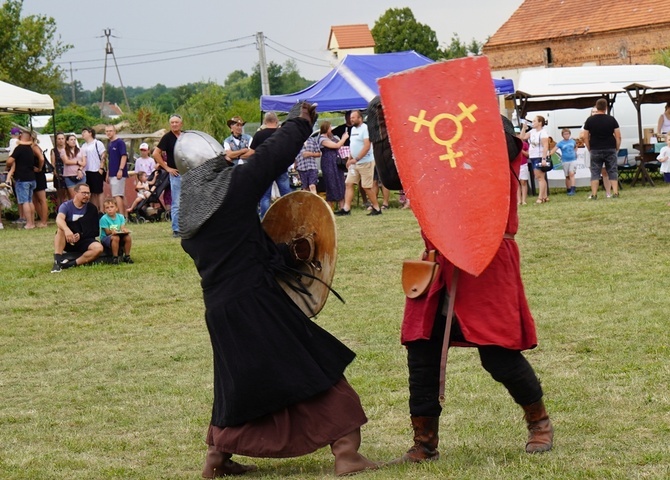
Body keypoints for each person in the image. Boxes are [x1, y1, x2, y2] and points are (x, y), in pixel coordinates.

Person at [177, 102, 380, 478]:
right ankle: (347, 453)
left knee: (237, 383)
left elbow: (239, 249)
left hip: (220, 310)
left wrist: (284, 253)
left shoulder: (188, 216)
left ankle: (216, 460)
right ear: (211, 161)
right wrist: (300, 122)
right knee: (316, 365)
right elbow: (271, 157)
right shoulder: (232, 191)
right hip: (258, 302)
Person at [392, 116, 553, 464]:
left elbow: (503, 145)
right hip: (438, 264)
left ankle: (538, 422)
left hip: (488, 263)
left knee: (498, 354)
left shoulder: (501, 146)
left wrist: (468, 116)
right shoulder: (435, 151)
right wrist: (386, 124)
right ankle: (424, 442)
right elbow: (394, 176)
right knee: (422, 353)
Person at [335, 110, 382, 216]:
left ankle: (376, 208)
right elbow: (353, 145)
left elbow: (366, 146)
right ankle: (346, 209)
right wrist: (349, 159)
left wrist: (356, 159)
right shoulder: (353, 129)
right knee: (348, 183)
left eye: (353, 118)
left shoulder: (365, 129)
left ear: (360, 118)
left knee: (366, 187)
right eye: (351, 118)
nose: (351, 119)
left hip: (365, 162)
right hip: (354, 162)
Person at [51, 183, 103, 272]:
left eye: (88, 193)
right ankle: (57, 262)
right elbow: (59, 219)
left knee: (98, 248)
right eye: (83, 193)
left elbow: (94, 230)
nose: (86, 196)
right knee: (60, 229)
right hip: (67, 239)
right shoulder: (66, 206)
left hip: (84, 239)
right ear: (76, 193)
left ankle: (71, 264)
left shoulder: (92, 208)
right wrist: (67, 230)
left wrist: (80, 235)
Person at [249, 112, 292, 217]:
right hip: (281, 167)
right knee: (287, 194)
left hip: (265, 168)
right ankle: (291, 216)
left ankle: (265, 219)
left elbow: (252, 152)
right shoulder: (282, 133)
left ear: (264, 121)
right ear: (276, 121)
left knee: (265, 196)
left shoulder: (259, 135)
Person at [583, 98, 621, 200]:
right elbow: (618, 136)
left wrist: (589, 147)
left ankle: (594, 194)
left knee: (595, 172)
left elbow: (585, 136)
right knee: (612, 170)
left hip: (595, 148)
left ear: (596, 106)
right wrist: (617, 147)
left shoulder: (590, 120)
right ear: (606, 108)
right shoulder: (611, 119)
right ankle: (615, 192)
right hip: (610, 147)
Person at [153, 114, 182, 237]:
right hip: (176, 173)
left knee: (190, 201)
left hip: (188, 172)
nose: (174, 124)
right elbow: (156, 153)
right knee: (177, 202)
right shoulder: (167, 137)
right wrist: (167, 168)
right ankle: (176, 229)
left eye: (177, 122)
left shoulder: (186, 136)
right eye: (172, 122)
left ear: (181, 123)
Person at [6, 130, 42, 230]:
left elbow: (10, 161)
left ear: (21, 136)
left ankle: (29, 223)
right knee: (30, 201)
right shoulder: (30, 148)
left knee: (25, 201)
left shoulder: (19, 148)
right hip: (31, 177)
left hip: (22, 178)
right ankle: (32, 222)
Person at [318, 121, 348, 210]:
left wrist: (342, 139)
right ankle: (329, 207)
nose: (331, 129)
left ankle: (342, 206)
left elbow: (340, 144)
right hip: (328, 163)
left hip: (336, 162)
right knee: (330, 183)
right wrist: (344, 138)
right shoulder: (322, 139)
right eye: (330, 127)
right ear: (326, 128)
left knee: (340, 181)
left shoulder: (331, 137)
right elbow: (336, 145)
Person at [519, 116, 549, 203]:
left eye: (535, 121)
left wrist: (544, 158)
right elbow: (522, 137)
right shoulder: (532, 131)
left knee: (539, 177)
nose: (533, 122)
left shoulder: (543, 133)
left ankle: (540, 197)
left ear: (540, 123)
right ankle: (545, 196)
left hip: (539, 156)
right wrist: (524, 128)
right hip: (533, 156)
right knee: (539, 176)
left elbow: (545, 146)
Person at [100, 197, 133, 264]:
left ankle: (127, 256)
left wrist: (124, 230)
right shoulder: (103, 219)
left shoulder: (120, 217)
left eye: (112, 207)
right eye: (107, 208)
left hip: (118, 235)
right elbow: (107, 232)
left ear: (116, 208)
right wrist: (112, 231)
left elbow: (122, 228)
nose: (110, 209)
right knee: (115, 237)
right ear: (105, 210)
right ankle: (115, 257)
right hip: (106, 238)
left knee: (127, 237)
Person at [81, 127, 107, 211]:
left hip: (96, 170)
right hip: (87, 171)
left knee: (98, 191)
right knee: (91, 192)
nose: (83, 134)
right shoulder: (83, 145)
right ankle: (94, 210)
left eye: (84, 132)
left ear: (90, 133)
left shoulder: (97, 143)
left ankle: (101, 210)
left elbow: (103, 155)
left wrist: (101, 168)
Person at [105, 124, 129, 213]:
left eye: (110, 131)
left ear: (114, 131)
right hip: (112, 172)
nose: (109, 133)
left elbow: (124, 156)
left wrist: (120, 169)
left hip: (118, 173)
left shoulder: (120, 142)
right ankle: (125, 215)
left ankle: (121, 216)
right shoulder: (110, 144)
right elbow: (109, 159)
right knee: (119, 194)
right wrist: (108, 172)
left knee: (117, 195)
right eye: (107, 131)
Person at [29, 132, 49, 227]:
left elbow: (41, 159)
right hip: (33, 175)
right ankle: (42, 219)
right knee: (34, 199)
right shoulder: (31, 147)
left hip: (39, 174)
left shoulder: (34, 147)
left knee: (42, 199)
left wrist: (40, 168)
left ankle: (44, 221)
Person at [552, 128, 578, 195]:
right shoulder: (560, 143)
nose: (566, 135)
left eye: (568, 134)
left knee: (571, 173)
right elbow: (554, 149)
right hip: (565, 161)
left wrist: (575, 153)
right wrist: (549, 154)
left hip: (573, 160)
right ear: (562, 135)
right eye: (565, 134)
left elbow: (575, 147)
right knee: (567, 176)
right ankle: (568, 189)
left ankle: (573, 189)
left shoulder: (572, 141)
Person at [62, 134, 86, 199]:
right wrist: (77, 162)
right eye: (71, 140)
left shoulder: (81, 150)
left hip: (80, 175)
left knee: (82, 195)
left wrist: (80, 169)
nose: (73, 141)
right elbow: (66, 161)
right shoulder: (64, 151)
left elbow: (84, 163)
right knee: (74, 197)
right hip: (69, 175)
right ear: (67, 141)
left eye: (74, 140)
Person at [51, 132, 69, 208]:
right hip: (59, 173)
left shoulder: (68, 149)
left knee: (69, 193)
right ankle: (60, 211)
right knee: (60, 195)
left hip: (69, 172)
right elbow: (53, 163)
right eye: (59, 139)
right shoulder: (54, 150)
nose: (61, 140)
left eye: (62, 138)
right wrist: (55, 173)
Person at [517, 136, 530, 205]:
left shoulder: (525, 144)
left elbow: (528, 155)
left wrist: (521, 150)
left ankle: (524, 200)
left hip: (523, 164)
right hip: (516, 165)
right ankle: (519, 200)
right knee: (517, 183)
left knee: (523, 182)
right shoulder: (513, 144)